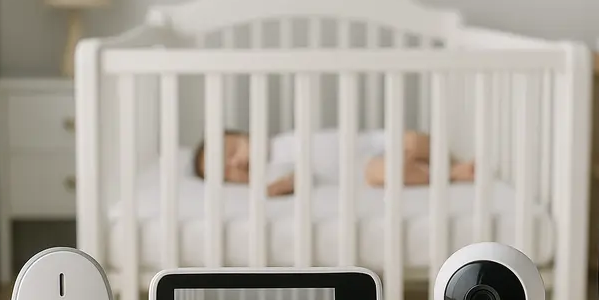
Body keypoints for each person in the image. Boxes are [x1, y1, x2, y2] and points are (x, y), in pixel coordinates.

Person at [191, 128, 475, 197]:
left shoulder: (280, 139)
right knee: (386, 170)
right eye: (226, 171)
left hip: (374, 140)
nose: (235, 163)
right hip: (364, 165)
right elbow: (297, 178)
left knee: (412, 138)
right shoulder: (271, 171)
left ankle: (431, 157)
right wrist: (276, 187)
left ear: (247, 134)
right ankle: (451, 171)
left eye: (232, 150)